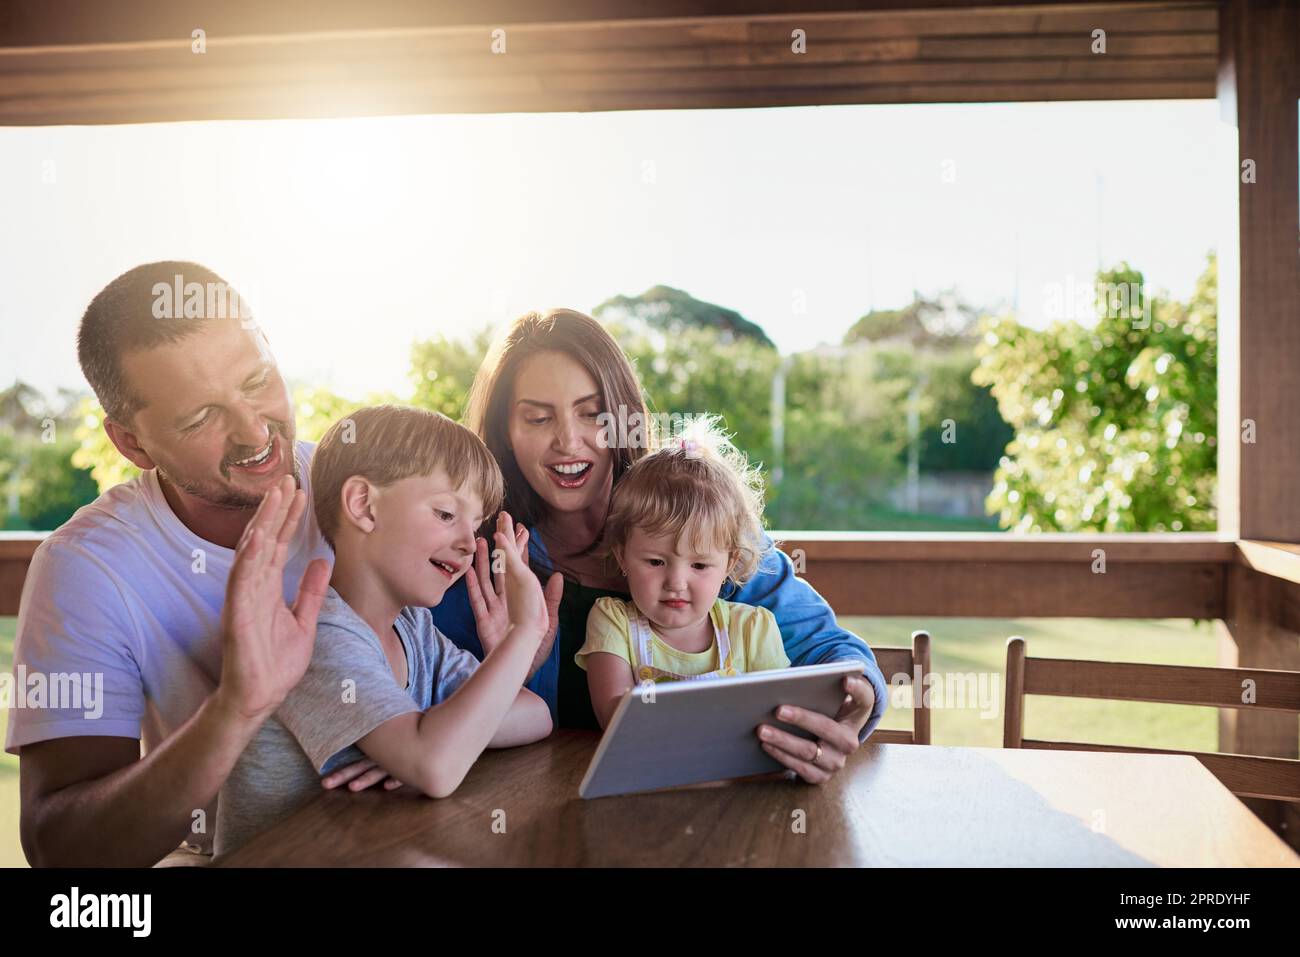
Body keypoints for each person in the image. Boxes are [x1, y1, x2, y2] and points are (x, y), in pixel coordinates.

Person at [8, 262, 386, 867]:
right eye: (200, 416)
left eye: (258, 379)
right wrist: (237, 708)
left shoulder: (368, 487)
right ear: (132, 443)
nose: (253, 430)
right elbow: (60, 852)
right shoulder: (85, 567)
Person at [432, 309, 889, 783]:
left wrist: (852, 707)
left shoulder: (695, 513)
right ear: (504, 433)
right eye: (538, 417)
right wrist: (511, 670)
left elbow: (834, 652)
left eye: (592, 414)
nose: (568, 441)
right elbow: (403, 688)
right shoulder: (475, 559)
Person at [214, 406, 550, 857]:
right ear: (364, 506)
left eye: (475, 525)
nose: (470, 544)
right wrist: (524, 632)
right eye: (447, 514)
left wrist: (427, 736)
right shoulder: (320, 636)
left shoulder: (415, 630)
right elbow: (435, 768)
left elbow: (536, 715)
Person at [577, 419, 789, 728]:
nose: (676, 583)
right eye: (655, 562)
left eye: (699, 566)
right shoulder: (615, 624)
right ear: (622, 556)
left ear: (728, 565)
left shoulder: (752, 631)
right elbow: (615, 721)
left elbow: (779, 719)